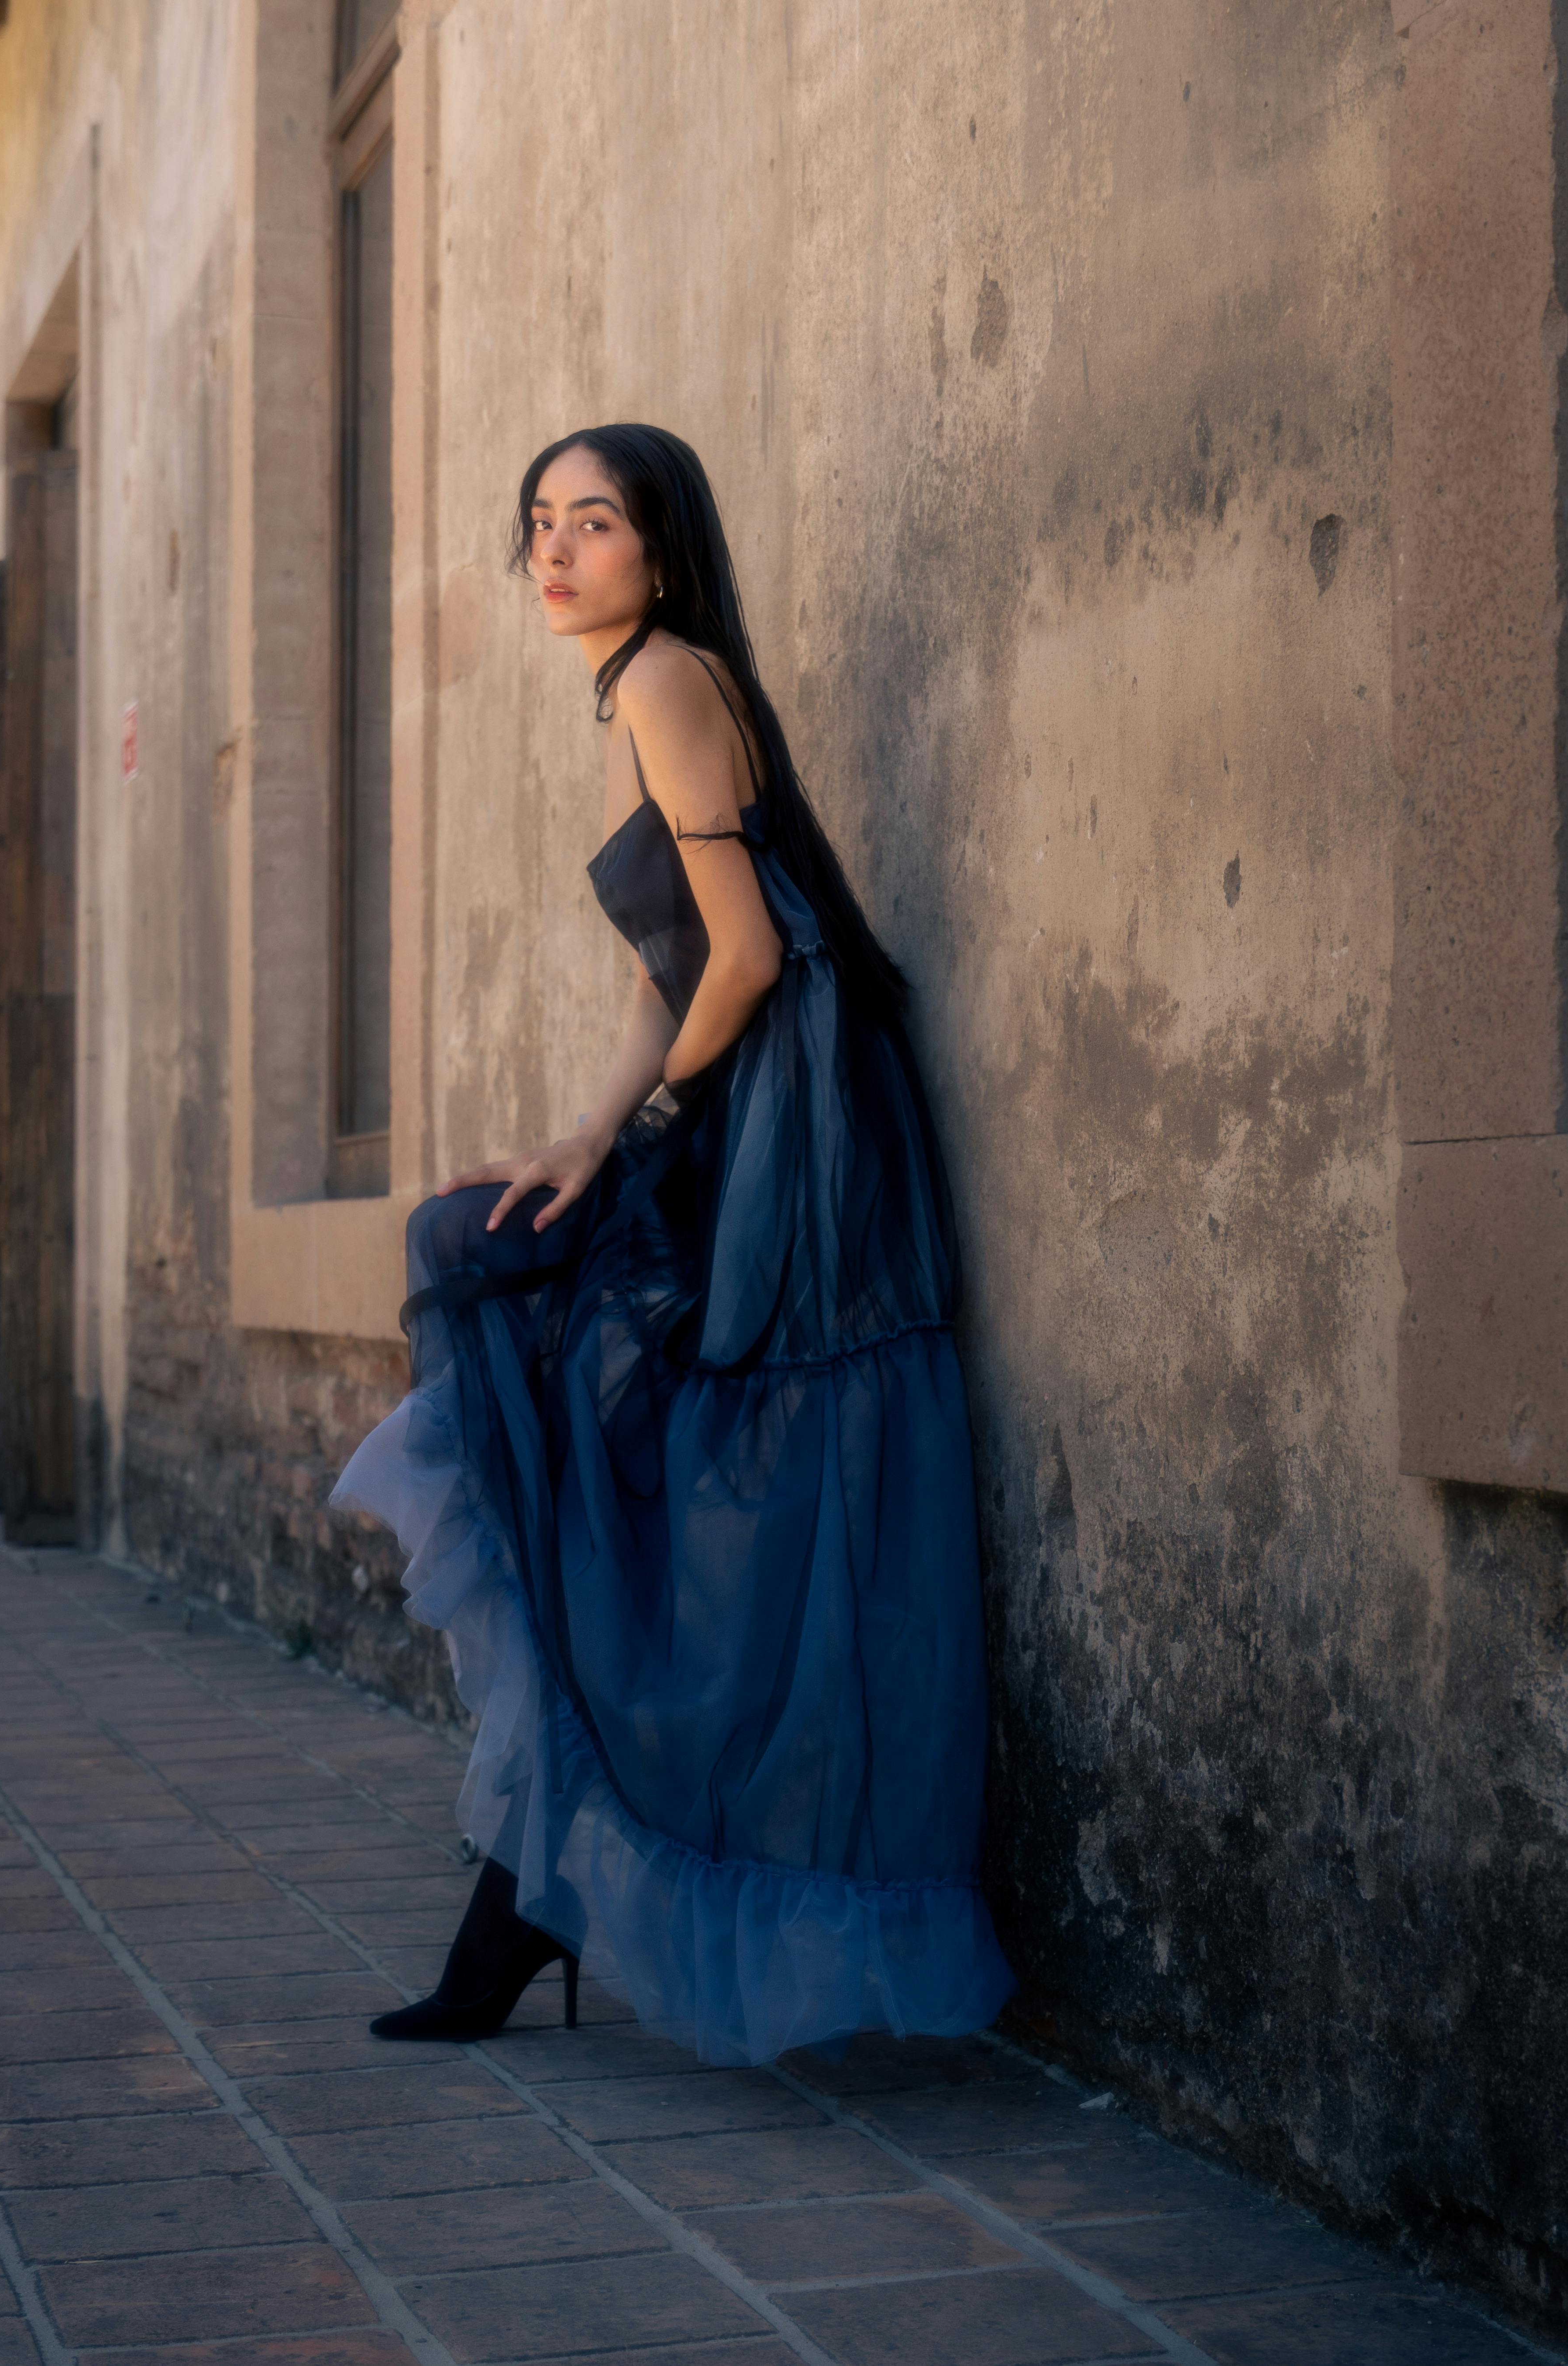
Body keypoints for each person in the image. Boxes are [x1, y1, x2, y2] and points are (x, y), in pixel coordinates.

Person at [332, 423, 1015, 2067]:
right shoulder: (654, 687)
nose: (556, 553)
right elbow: (672, 962)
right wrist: (584, 1130)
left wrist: (636, 1143)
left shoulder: (662, 678)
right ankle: (535, 1882)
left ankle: (537, 1890)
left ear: (661, 548)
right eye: (539, 523)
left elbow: (748, 964)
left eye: (596, 523)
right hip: (760, 1100)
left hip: (793, 1126)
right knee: (587, 1408)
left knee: (623, 1418)